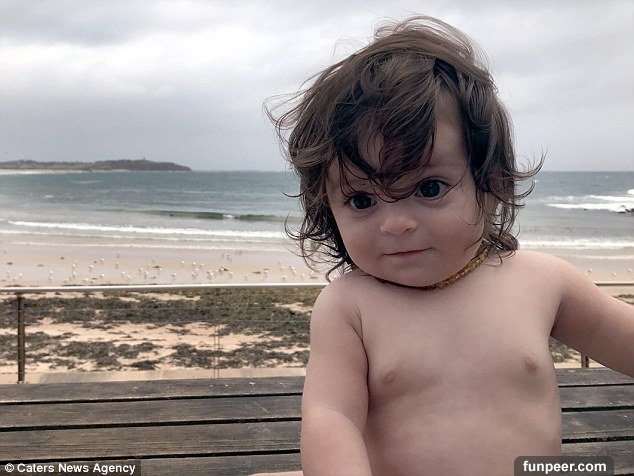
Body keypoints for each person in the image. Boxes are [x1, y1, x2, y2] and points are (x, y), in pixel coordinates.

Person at [257, 15, 634, 476]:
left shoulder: (543, 282)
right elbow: (331, 416)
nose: (395, 224)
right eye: (362, 200)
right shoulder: (349, 306)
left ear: (492, 184)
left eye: (429, 188)